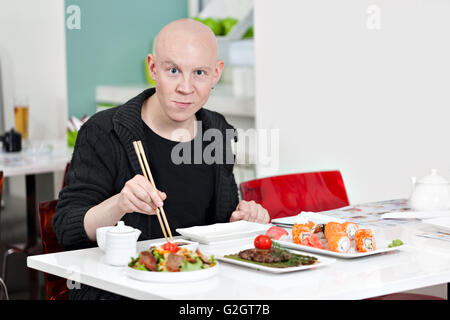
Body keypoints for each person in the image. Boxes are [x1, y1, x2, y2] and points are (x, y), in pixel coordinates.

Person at [53, 18, 270, 300]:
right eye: (173, 70)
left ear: (216, 74)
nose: (186, 87)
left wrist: (244, 219)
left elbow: (222, 224)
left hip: (201, 287)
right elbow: (66, 228)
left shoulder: (217, 130)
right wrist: (119, 203)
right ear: (152, 68)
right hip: (120, 290)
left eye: (200, 73)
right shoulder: (103, 131)